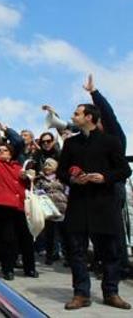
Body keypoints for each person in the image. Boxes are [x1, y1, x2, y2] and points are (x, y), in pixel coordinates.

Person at [57, 104, 131, 310]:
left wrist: (104, 177)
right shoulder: (71, 143)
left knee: (110, 252)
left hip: (105, 204)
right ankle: (81, 294)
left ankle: (111, 292)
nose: (73, 116)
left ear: (89, 117)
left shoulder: (110, 141)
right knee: (77, 252)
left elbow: (125, 170)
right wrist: (73, 180)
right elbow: (62, 172)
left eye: (77, 113)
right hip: (79, 204)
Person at [0, 121, 37, 280]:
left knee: (26, 239)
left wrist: (28, 177)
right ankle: (8, 269)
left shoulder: (18, 167)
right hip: (2, 206)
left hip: (21, 206)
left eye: (4, 150)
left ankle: (30, 268)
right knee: (8, 239)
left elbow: (26, 185)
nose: (1, 152)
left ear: (10, 152)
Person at [34, 158, 68, 265]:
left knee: (64, 234)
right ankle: (50, 255)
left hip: (62, 208)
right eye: (46, 164)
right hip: (48, 209)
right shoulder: (40, 179)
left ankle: (67, 256)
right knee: (50, 234)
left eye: (50, 165)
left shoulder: (61, 178)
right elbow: (36, 190)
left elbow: (67, 189)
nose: (47, 167)